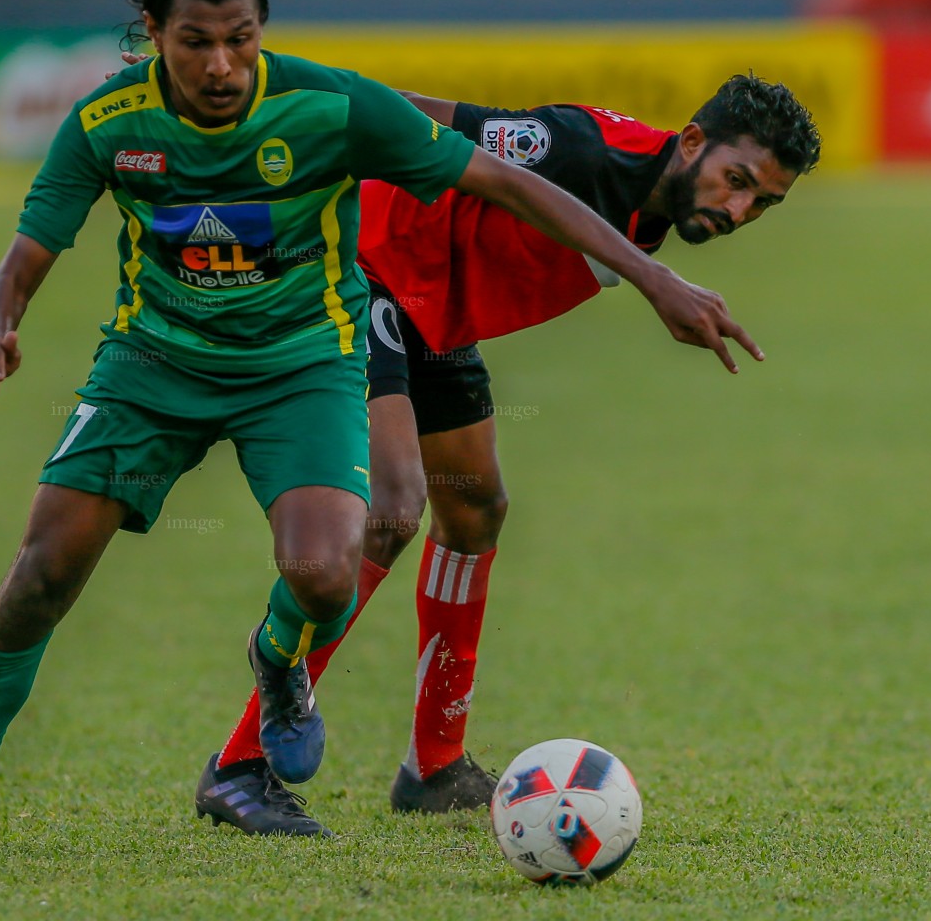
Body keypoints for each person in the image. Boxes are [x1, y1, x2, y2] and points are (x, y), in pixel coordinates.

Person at [0, 0, 761, 859]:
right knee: (40, 578)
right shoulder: (107, 120)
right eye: (196, 42)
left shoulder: (328, 106)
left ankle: (296, 670)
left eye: (241, 39)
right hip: (153, 367)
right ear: (152, 33)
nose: (222, 64)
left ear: (262, 29)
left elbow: (497, 180)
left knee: (345, 563)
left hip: (303, 364)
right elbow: (20, 263)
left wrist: (656, 280)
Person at [193, 77, 821, 835]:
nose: (739, 210)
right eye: (738, 181)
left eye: (763, 203)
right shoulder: (580, 147)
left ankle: (434, 766)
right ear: (691, 142)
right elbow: (422, 119)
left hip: (436, 309)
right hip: (364, 267)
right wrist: (264, 103)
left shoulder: (656, 203)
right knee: (392, 508)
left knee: (475, 508)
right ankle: (238, 766)